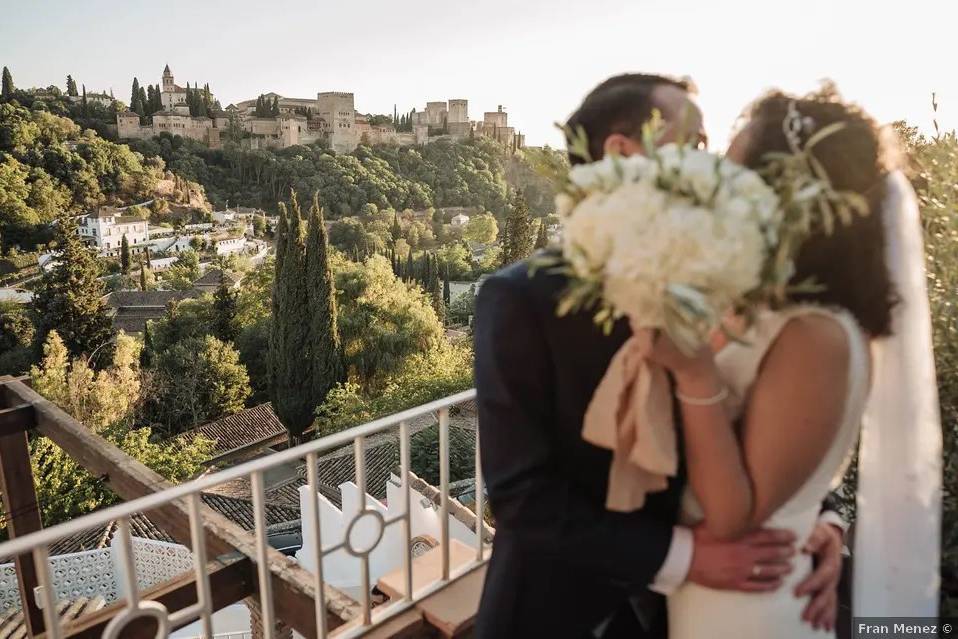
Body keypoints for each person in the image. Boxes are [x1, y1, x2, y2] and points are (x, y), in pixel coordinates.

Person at [473, 74, 846, 639]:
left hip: (699, 614)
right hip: (556, 616)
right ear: (623, 153)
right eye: (694, 144)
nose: (714, 160)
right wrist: (684, 557)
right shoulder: (520, 298)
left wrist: (820, 515)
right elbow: (521, 495)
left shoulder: (728, 277)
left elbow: (772, 405)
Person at [646, 87, 899, 638]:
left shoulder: (818, 334)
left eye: (733, 168)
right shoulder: (758, 308)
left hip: (752, 610)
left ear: (783, 195)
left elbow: (738, 513)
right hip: (704, 599)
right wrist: (822, 517)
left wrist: (693, 374)